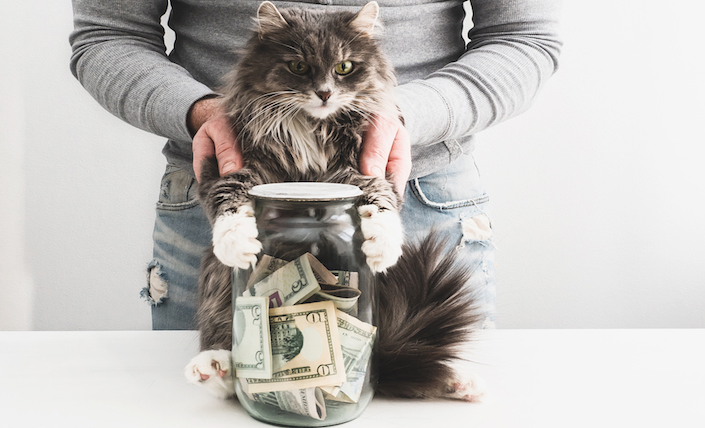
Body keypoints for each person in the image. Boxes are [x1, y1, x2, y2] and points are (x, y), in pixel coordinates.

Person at [69, 0, 562, 330]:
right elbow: (108, 36)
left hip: (415, 199)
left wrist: (403, 115)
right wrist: (202, 110)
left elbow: (525, 39)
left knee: (426, 398)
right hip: (226, 201)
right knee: (206, 403)